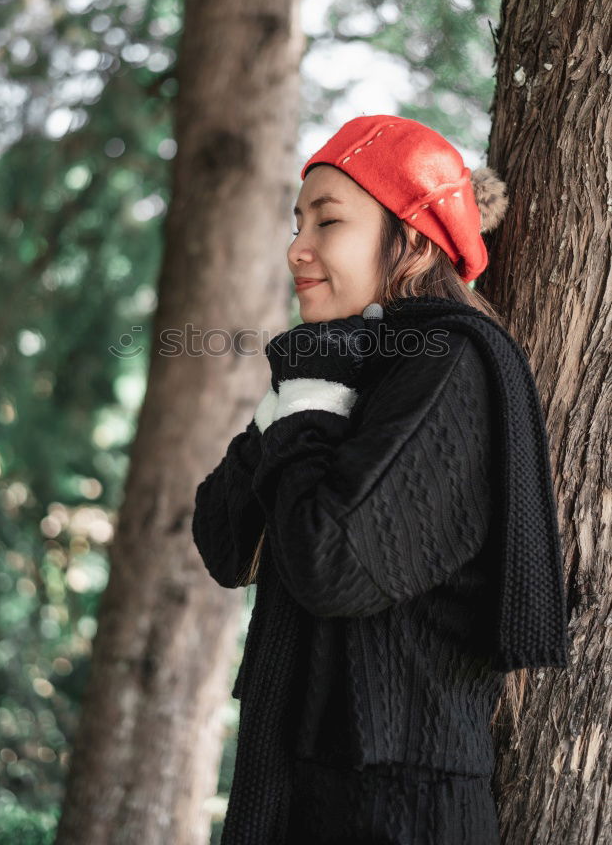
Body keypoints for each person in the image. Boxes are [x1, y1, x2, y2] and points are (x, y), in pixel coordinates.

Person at [192, 114, 570, 845]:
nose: (296, 249)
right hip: (293, 785)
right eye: (295, 223)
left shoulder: (449, 363)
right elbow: (221, 541)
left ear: (415, 239)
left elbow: (334, 568)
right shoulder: (333, 365)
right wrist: (295, 397)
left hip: (397, 802)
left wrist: (303, 406)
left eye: (327, 222)